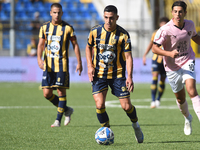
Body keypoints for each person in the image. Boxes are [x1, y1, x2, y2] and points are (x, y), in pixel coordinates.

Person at [85, 5, 144, 143]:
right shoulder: (95, 32)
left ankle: (136, 125)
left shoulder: (123, 35)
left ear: (117, 18)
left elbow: (128, 57)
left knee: (127, 107)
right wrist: (89, 66)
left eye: (111, 18)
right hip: (99, 74)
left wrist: (129, 77)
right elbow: (88, 47)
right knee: (99, 105)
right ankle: (106, 131)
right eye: (106, 17)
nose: (108, 21)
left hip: (118, 75)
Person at [152, 1, 200, 135]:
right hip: (172, 67)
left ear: (185, 12)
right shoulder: (165, 29)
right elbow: (154, 48)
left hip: (187, 60)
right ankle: (187, 118)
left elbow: (195, 37)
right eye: (175, 11)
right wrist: (169, 53)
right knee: (180, 98)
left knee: (191, 90)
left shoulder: (190, 24)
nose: (178, 14)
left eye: (180, 11)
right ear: (172, 12)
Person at [37, 3, 82, 127]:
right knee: (47, 94)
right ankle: (67, 109)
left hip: (62, 65)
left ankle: (58, 120)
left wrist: (79, 62)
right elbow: (40, 44)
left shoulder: (68, 28)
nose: (57, 15)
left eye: (59, 12)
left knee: (61, 92)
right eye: (54, 12)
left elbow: (75, 45)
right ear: (50, 13)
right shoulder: (44, 27)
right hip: (48, 66)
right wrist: (39, 59)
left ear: (62, 13)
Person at [143, 17, 169, 108]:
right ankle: (153, 100)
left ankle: (158, 99)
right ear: (160, 24)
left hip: (166, 59)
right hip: (155, 58)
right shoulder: (156, 33)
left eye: (165, 23)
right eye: (162, 23)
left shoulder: (170, 33)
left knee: (162, 80)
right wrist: (145, 55)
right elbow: (151, 44)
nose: (163, 25)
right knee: (154, 78)